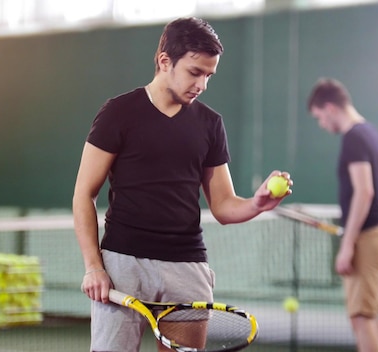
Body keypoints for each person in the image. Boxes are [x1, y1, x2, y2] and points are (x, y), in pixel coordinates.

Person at [73, 17, 292, 352]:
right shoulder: (118, 113)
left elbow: (223, 205)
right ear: (165, 61)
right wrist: (94, 267)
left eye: (209, 75)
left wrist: (257, 203)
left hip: (187, 267)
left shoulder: (210, 124)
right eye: (194, 72)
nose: (202, 84)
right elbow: (84, 195)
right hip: (122, 265)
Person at [307, 78, 378, 352]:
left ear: (330, 108)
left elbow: (365, 192)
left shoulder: (354, 138)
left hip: (369, 236)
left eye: (319, 117)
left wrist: (348, 243)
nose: (322, 124)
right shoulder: (374, 134)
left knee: (362, 317)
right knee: (364, 317)